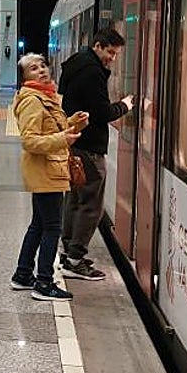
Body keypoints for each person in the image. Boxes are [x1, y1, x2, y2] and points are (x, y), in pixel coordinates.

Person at [56, 27, 133, 280]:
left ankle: (68, 251)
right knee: (90, 205)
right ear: (97, 46)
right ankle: (75, 261)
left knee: (74, 199)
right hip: (90, 147)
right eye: (110, 52)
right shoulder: (92, 72)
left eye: (116, 54)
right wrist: (125, 105)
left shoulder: (76, 64)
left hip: (76, 143)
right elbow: (102, 113)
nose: (112, 58)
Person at [10, 53, 87, 301]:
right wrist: (63, 139)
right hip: (46, 171)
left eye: (43, 65)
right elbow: (30, 141)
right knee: (52, 227)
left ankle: (23, 275)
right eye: (33, 68)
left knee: (39, 224)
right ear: (25, 77)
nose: (42, 70)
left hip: (49, 170)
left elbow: (50, 130)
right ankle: (44, 282)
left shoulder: (46, 96)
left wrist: (73, 124)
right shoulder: (33, 101)